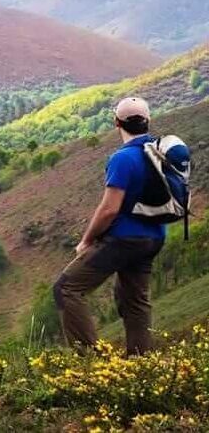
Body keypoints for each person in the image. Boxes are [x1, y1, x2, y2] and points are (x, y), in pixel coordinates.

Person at [53, 97, 165, 356]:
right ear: (148, 120)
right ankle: (140, 364)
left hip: (124, 240)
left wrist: (87, 240)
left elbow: (109, 209)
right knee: (135, 300)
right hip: (155, 237)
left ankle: (94, 364)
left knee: (67, 288)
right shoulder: (162, 152)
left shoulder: (123, 158)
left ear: (117, 122)